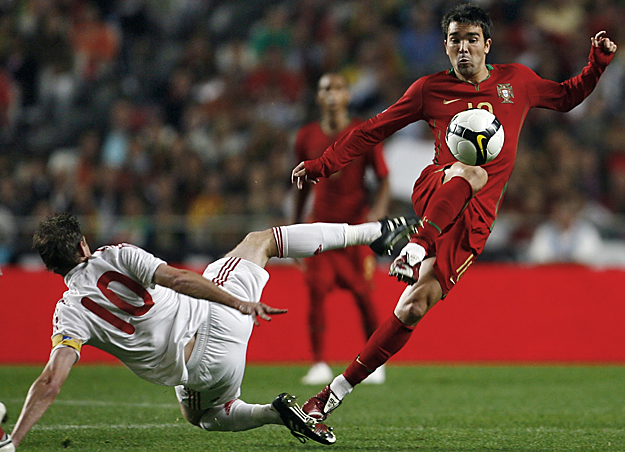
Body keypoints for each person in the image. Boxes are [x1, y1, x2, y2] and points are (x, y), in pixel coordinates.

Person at [291, 3, 617, 421]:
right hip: (438, 188)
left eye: (472, 39)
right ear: (445, 46)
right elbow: (374, 128)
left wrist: (597, 63)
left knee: (412, 307)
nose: (464, 48)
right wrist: (325, 164)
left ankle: (329, 396)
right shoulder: (429, 89)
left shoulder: (517, 81)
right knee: (470, 169)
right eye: (455, 40)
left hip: (475, 222)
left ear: (487, 45)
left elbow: (567, 96)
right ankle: (413, 246)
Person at [5, 212, 416, 449]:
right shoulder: (115, 254)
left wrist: (15, 440)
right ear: (81, 246)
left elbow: (50, 382)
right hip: (218, 313)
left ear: (52, 268)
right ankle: (374, 233)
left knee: (202, 417)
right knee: (261, 240)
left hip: (206, 369)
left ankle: (273, 413)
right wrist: (239, 302)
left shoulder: (67, 315)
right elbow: (180, 279)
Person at [294, 73, 391, 385]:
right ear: (319, 98)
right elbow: (301, 186)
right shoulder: (306, 136)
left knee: (363, 294)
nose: (332, 94)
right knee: (316, 292)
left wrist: (377, 215)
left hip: (355, 229)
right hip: (319, 229)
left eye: (338, 88)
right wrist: (296, 226)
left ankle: (374, 363)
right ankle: (319, 363)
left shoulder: (363, 132)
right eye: (325, 89)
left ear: (348, 96)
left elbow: (383, 178)